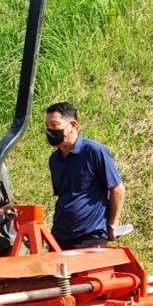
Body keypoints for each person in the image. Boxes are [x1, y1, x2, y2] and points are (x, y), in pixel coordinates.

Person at [45, 101, 125, 249]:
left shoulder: (94, 151)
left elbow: (117, 189)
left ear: (72, 125)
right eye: (47, 126)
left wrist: (112, 224)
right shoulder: (54, 160)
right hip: (59, 238)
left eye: (54, 125)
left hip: (89, 237)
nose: (49, 130)